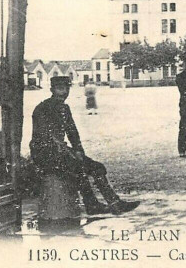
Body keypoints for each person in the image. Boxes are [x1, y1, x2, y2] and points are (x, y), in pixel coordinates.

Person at [30, 76, 139, 215]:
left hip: (59, 152)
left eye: (67, 88)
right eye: (60, 89)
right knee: (78, 169)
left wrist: (78, 151)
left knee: (97, 167)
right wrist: (67, 152)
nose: (64, 92)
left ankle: (112, 203)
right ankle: (93, 205)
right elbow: (44, 136)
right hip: (45, 154)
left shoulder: (64, 108)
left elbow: (72, 132)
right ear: (52, 90)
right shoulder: (43, 108)